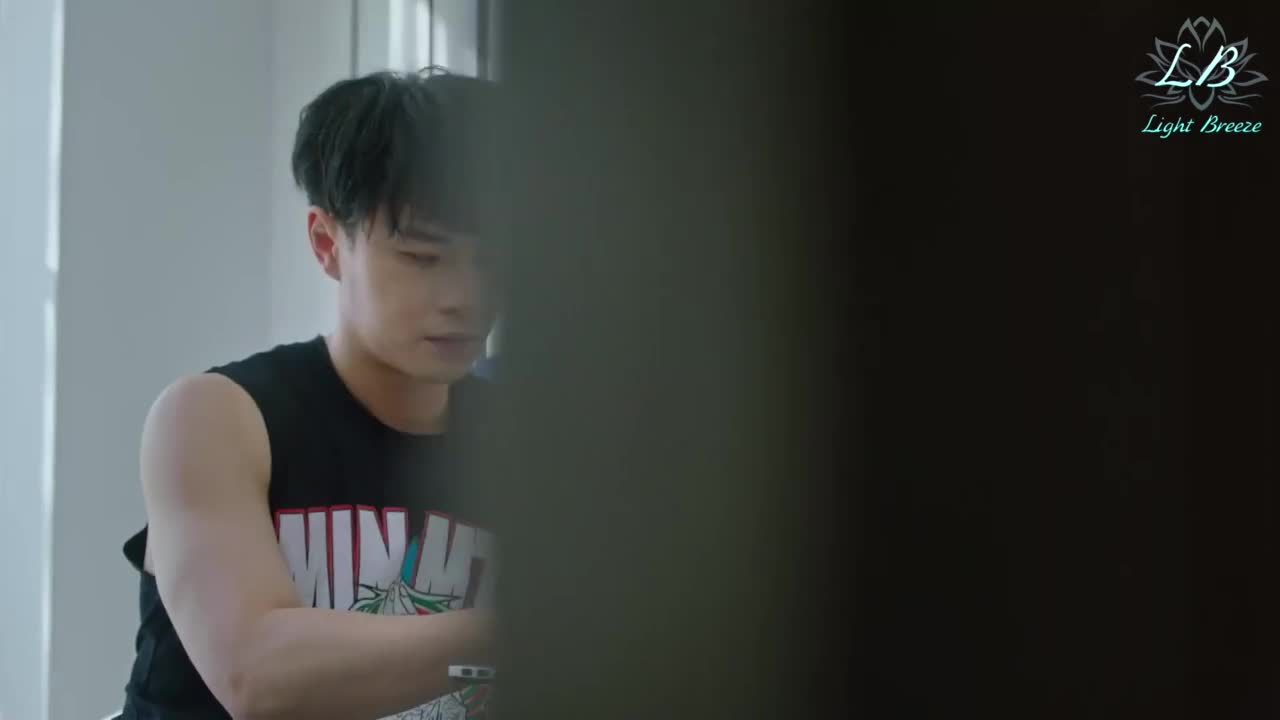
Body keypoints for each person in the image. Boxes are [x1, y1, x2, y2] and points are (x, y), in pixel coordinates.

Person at [119, 70, 502, 720]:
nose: (465, 297)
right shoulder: (217, 418)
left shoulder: (532, 441)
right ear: (327, 244)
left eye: (493, 260)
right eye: (422, 257)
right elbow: (256, 676)